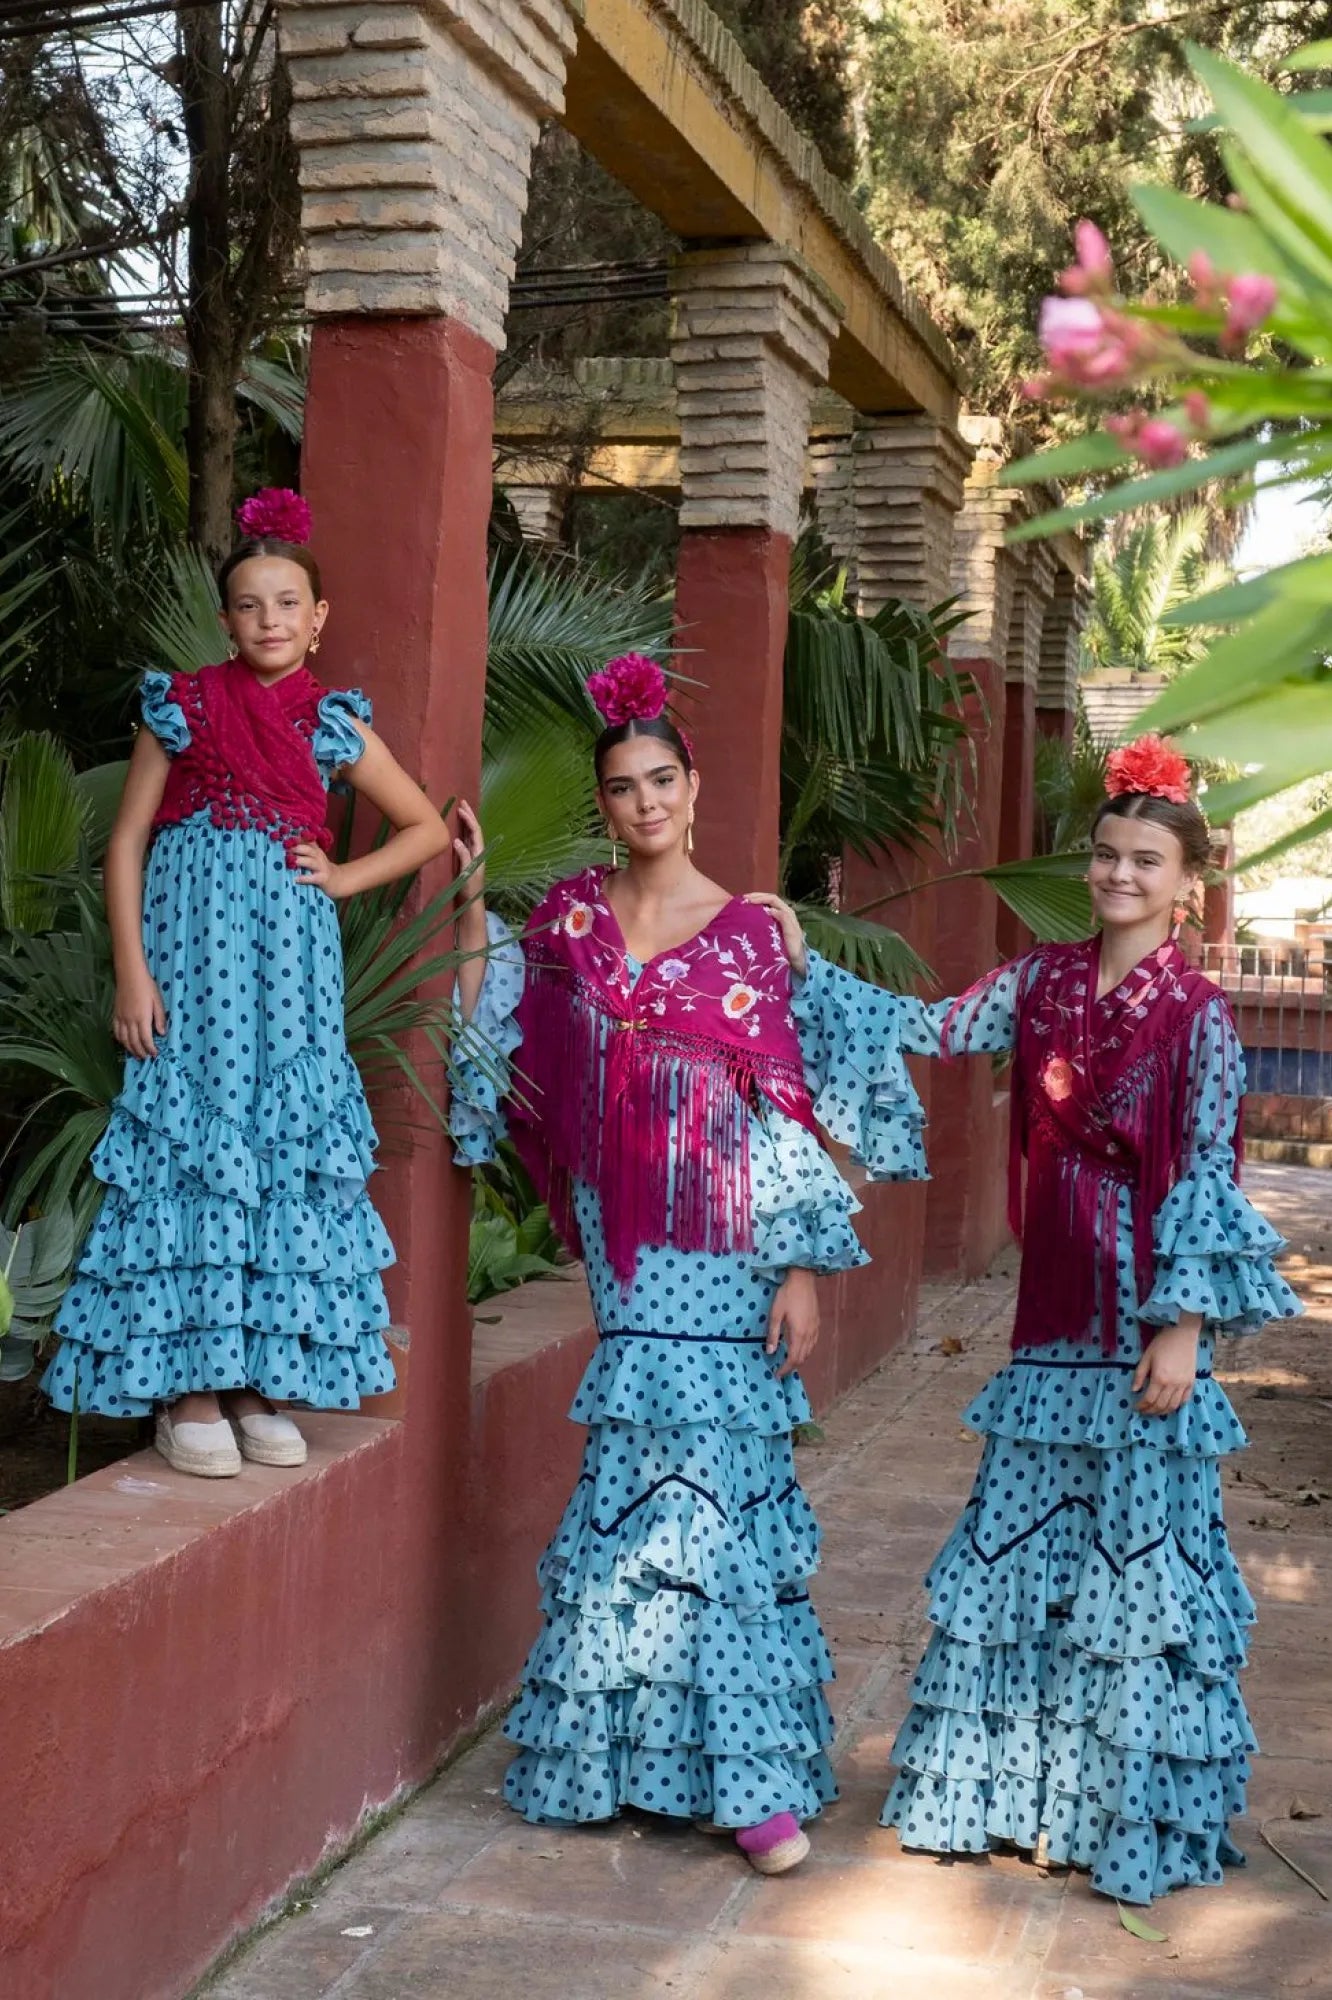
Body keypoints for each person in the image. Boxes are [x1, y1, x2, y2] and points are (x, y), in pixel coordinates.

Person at [755, 733, 1300, 1904]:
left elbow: (1212, 1163)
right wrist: (805, 966)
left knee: (1139, 1565)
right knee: (1021, 1537)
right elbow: (938, 1028)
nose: (1117, 876)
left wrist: (1187, 1325)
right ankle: (1001, 1793)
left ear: (1183, 882)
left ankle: (1124, 1810)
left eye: (1145, 861)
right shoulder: (1041, 981)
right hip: (1049, 1305)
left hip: (1142, 1307)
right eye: (1106, 854)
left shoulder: (1198, 1012)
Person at [447, 653, 926, 1874]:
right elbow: (494, 1027)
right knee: (637, 1466)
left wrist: (804, 1264)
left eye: (662, 778)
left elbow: (785, 1106)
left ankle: (751, 1779)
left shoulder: (754, 931)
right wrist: (468, 906)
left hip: (726, 1232)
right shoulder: (564, 923)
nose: (645, 801)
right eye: (621, 786)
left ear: (694, 786)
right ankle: (627, 1752)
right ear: (602, 802)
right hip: (623, 1229)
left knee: (713, 1473)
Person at [43, 488, 452, 1477]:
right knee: (196, 1146)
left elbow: (427, 828)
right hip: (189, 963)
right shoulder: (181, 704)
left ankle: (258, 1376)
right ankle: (189, 1388)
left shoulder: (333, 724)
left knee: (275, 1147)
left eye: (288, 603)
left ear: (318, 621)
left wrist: (345, 874)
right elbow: (129, 838)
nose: (269, 619)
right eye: (249, 603)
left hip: (289, 971)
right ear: (226, 619)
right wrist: (132, 973)